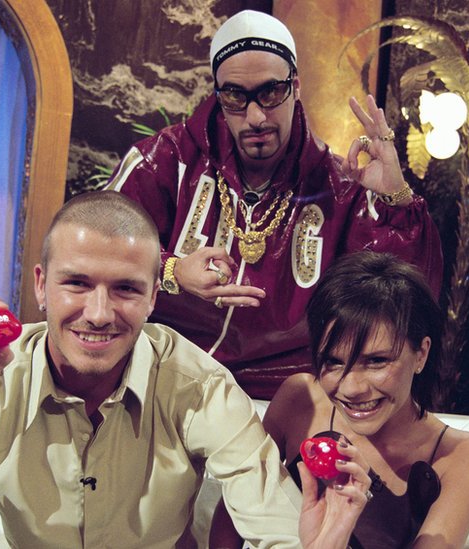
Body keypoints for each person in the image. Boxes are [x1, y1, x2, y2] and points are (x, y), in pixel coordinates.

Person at [0, 191, 371, 549]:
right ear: (41, 286)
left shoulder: (199, 387)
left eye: (126, 289)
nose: (98, 313)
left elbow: (274, 525)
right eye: (77, 283)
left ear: (154, 296)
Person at [106, 9, 443, 400]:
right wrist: (173, 270)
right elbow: (98, 251)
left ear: (295, 87)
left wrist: (395, 199)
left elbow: (404, 301)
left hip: (286, 394)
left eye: (270, 93)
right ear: (218, 94)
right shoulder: (166, 161)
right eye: (235, 96)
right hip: (165, 374)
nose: (255, 116)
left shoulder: (337, 187)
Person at [211, 251, 469, 548]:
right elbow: (232, 518)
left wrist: (333, 538)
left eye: (377, 361)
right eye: (333, 362)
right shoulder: (300, 400)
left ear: (421, 354)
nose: (352, 388)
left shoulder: (463, 456)